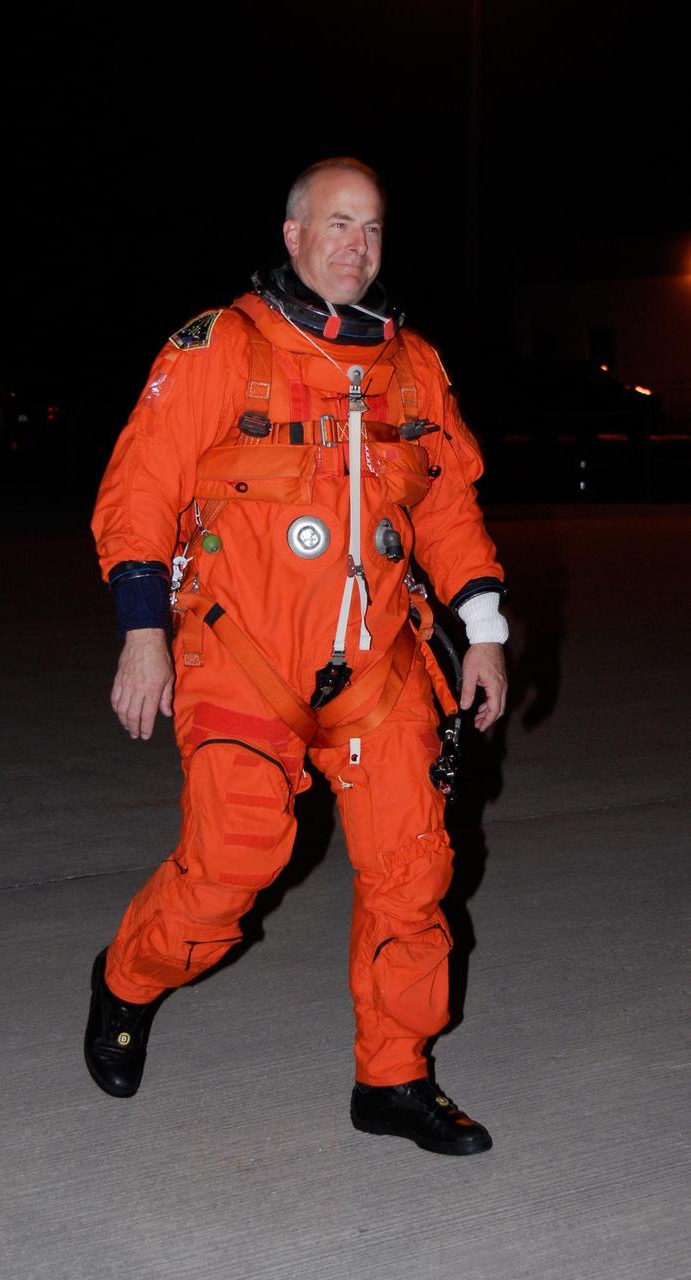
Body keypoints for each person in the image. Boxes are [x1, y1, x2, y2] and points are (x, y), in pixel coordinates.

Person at [85, 157, 508, 1157]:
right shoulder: (220, 346)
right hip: (241, 659)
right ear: (292, 233)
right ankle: (128, 977)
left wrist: (483, 634)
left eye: (370, 228)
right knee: (233, 864)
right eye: (336, 223)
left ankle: (395, 1074)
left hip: (379, 668)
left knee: (413, 872)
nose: (355, 245)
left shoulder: (413, 369)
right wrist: (142, 630)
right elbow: (139, 485)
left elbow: (448, 505)